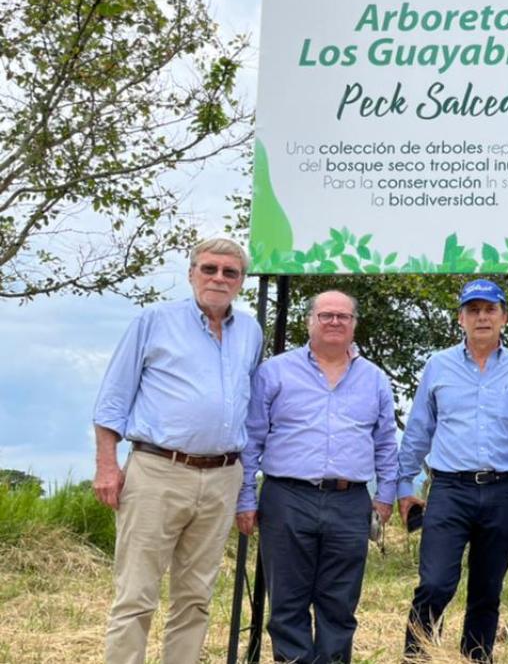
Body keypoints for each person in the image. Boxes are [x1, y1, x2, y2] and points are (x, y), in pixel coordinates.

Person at [92, 238, 263, 664]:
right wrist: (107, 466)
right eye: (209, 268)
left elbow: (248, 408)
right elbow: (112, 400)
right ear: (191, 274)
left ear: (241, 281)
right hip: (158, 471)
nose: (218, 278)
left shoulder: (251, 332)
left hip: (223, 476)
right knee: (136, 595)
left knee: (196, 597)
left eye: (230, 272)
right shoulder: (153, 321)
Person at [235, 290, 399, 664]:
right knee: (287, 602)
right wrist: (245, 498)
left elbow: (386, 441)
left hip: (350, 501)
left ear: (354, 324)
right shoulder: (274, 372)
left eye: (343, 316)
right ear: (310, 321)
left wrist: (386, 495)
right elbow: (251, 438)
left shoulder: (374, 379)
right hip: (286, 498)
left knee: (339, 603)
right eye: (326, 315)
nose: (335, 322)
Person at [396, 279, 508, 662]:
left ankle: (476, 657)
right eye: (473, 310)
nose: (482, 317)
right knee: (435, 583)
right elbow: (419, 429)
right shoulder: (438, 365)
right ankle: (416, 656)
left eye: (490, 310)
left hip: (501, 491)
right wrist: (405, 485)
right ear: (460, 319)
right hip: (449, 490)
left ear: (504, 317)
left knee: (487, 590)